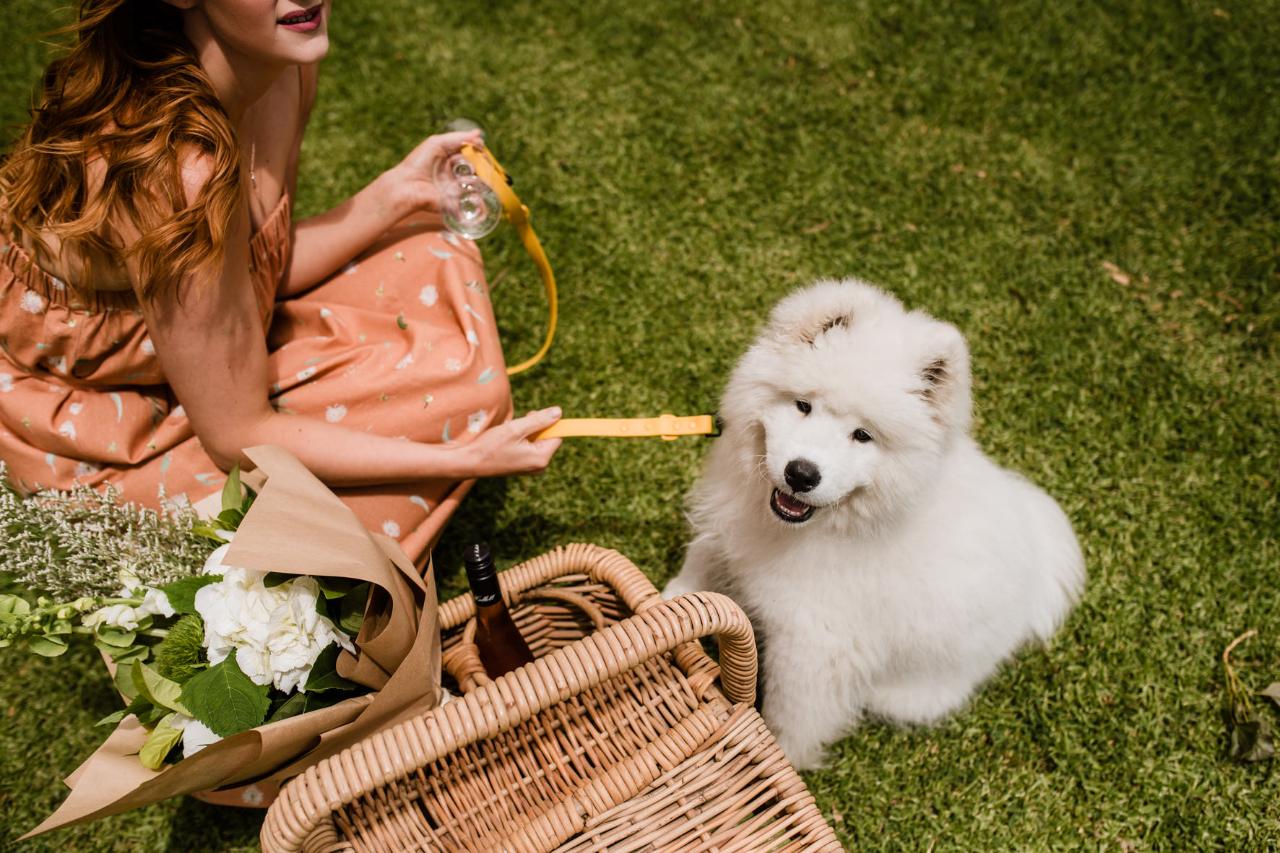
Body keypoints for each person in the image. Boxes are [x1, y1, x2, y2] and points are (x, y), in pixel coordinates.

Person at [0, 0, 562, 566]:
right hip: (101, 403)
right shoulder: (174, 176)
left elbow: (262, 262)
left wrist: (397, 194)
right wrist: (465, 459)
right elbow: (238, 436)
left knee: (435, 251)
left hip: (206, 342)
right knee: (453, 396)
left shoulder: (281, 63)